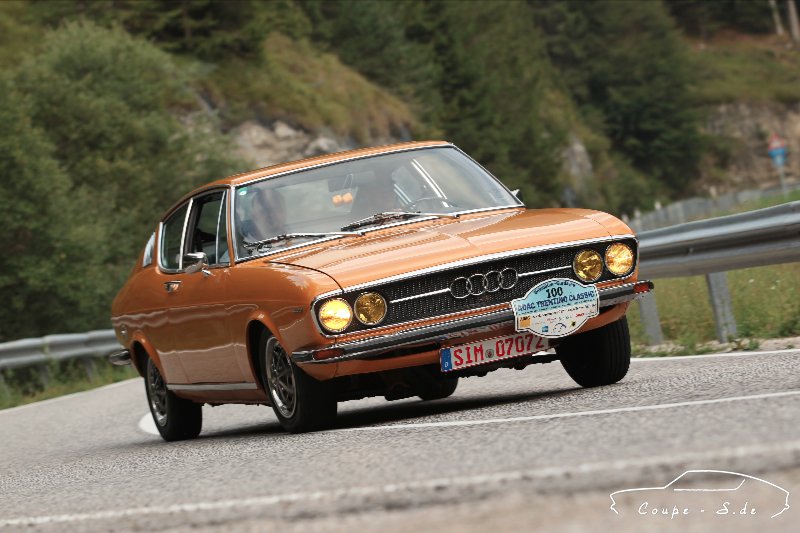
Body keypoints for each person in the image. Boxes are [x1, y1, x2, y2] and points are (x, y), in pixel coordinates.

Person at [236, 187, 287, 255]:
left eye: (276, 209)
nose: (271, 214)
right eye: (264, 210)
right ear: (253, 216)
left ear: (284, 213)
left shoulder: (300, 239)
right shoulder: (242, 252)